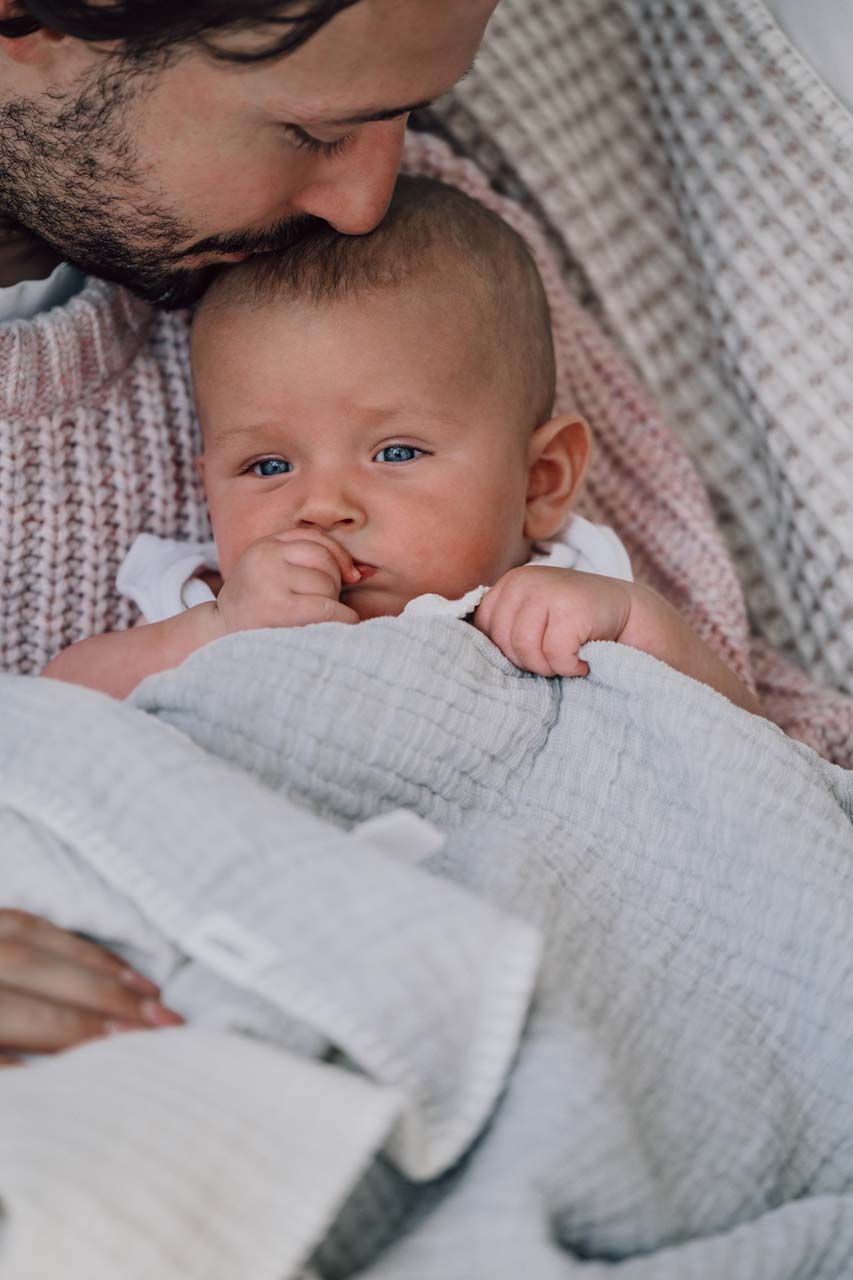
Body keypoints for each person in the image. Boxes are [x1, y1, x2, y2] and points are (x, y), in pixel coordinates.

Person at [0, 0, 497, 1056]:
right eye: (312, 132)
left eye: (409, 113)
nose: (366, 203)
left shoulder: (416, 251)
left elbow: (731, 730)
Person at [43, 176, 762, 718]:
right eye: (268, 466)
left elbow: (748, 753)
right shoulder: (207, 609)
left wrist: (634, 621)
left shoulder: (577, 595)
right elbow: (44, 718)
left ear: (540, 480)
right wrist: (216, 630)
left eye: (395, 453)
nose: (323, 507)